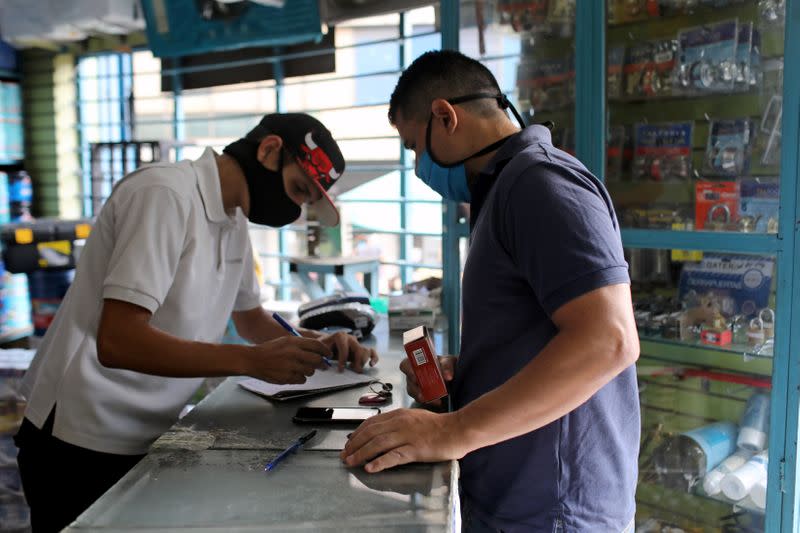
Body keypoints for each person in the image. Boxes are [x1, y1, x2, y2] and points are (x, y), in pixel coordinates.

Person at [15, 113, 378, 532]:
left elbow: (251, 319)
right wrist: (250, 361)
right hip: (81, 437)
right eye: (298, 190)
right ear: (268, 150)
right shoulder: (164, 194)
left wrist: (318, 343)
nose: (295, 210)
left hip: (150, 431)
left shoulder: (232, 217)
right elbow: (118, 340)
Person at [341, 50, 640, 532]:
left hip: (554, 512)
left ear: (445, 116)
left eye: (415, 146)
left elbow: (608, 340)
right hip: (512, 498)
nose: (420, 166)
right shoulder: (502, 192)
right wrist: (469, 373)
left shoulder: (540, 183)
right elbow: (538, 337)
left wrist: (453, 430)